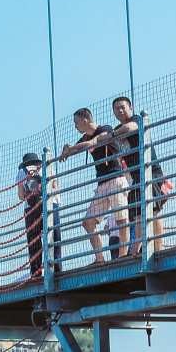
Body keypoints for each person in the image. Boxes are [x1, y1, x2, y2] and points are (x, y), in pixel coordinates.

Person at [57, 107, 129, 262]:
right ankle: (99, 257)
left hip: (116, 178)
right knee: (88, 223)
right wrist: (66, 149)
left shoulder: (105, 129)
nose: (75, 126)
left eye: (76, 122)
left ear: (85, 119)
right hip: (102, 183)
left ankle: (123, 254)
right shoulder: (84, 137)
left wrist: (70, 149)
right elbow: (76, 147)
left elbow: (92, 143)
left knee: (121, 218)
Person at [110, 96, 144, 259]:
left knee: (152, 210)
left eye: (122, 107)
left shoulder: (136, 119)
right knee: (137, 213)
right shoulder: (118, 128)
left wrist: (113, 135)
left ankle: (154, 247)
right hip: (135, 177)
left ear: (130, 107)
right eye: (116, 109)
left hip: (148, 171)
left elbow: (131, 127)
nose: (120, 111)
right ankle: (135, 250)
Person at [15, 152, 46, 281]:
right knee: (51, 236)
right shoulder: (44, 167)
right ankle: (55, 266)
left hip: (30, 209)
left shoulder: (22, 172)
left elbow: (21, 196)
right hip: (45, 205)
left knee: (33, 241)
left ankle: (36, 272)